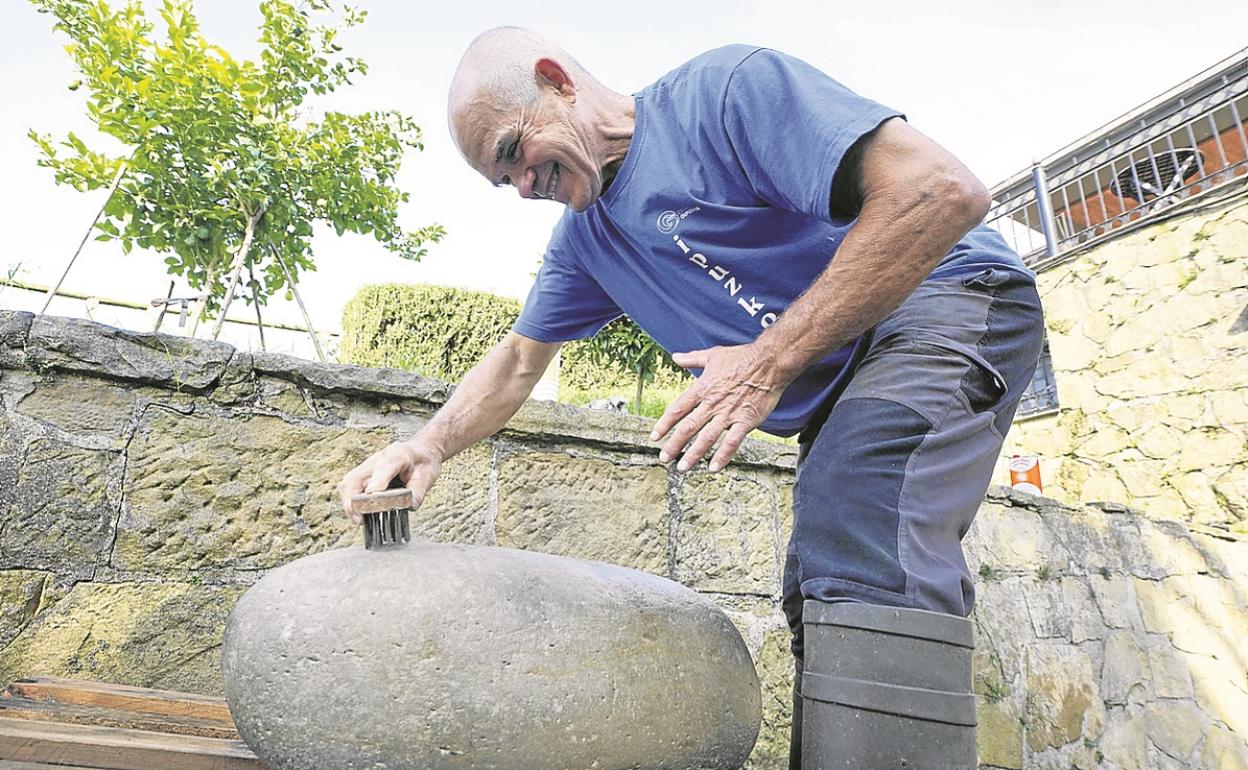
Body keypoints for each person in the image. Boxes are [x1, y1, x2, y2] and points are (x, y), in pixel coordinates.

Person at [338, 26, 1044, 768]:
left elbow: (939, 191)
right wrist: (428, 443)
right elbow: (518, 361)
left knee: (862, 507)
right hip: (848, 376)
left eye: (514, 151)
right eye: (501, 179)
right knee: (824, 580)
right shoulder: (587, 242)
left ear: (557, 81)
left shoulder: (724, 95)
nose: (521, 186)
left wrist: (767, 361)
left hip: (949, 297)